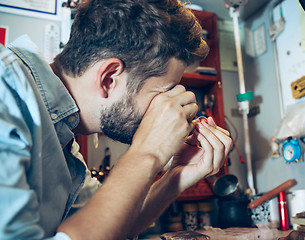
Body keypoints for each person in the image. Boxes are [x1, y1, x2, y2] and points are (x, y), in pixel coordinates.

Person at [0, 0, 232, 239]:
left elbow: (105, 227)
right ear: (109, 78)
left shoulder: (64, 134)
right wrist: (147, 153)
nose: (169, 110)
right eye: (164, 93)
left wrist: (177, 177)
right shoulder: (5, 90)